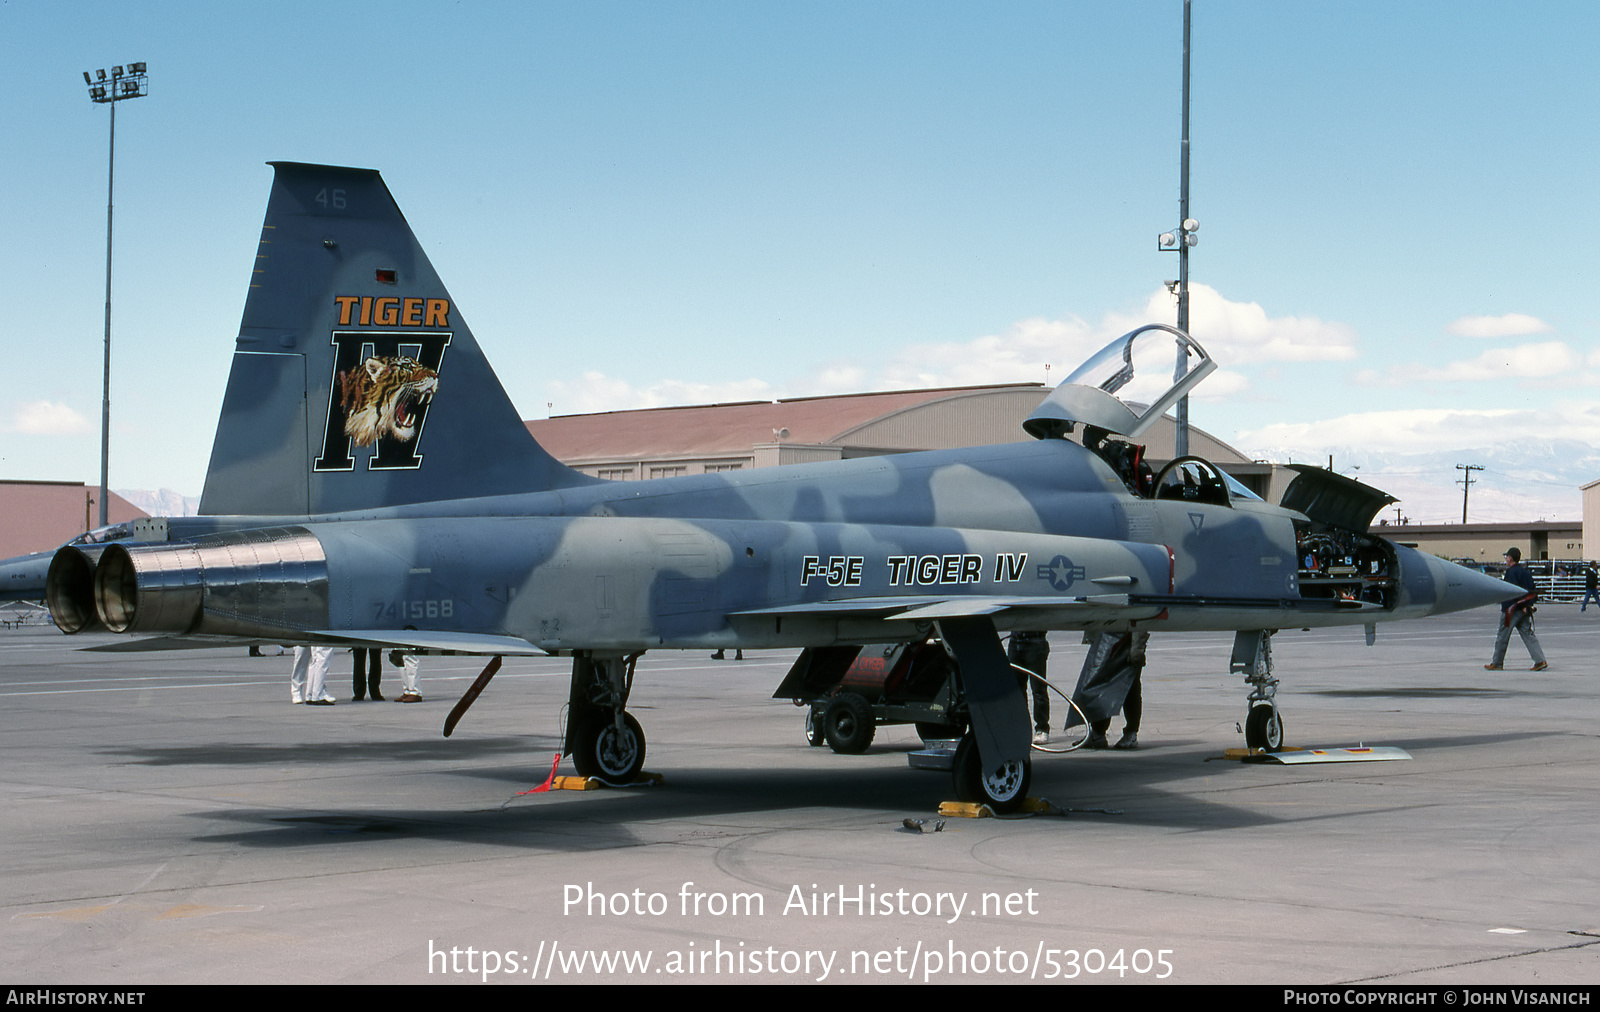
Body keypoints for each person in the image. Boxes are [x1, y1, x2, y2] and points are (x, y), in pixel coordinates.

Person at [1485, 547, 1547, 671]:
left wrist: (1520, 605)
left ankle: (1497, 662)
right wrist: (1528, 605)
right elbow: (1532, 590)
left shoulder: (1511, 573)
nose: (1506, 559)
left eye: (1507, 556)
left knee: (1503, 635)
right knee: (1527, 634)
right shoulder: (1525, 572)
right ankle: (1540, 660)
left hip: (1511, 610)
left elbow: (1512, 592)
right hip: (1524, 609)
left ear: (1511, 558)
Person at [1006, 630, 1051, 745]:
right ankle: (1021, 728)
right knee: (1018, 691)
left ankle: (1042, 728)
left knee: (1038, 688)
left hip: (1035, 641)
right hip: (1015, 641)